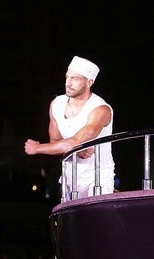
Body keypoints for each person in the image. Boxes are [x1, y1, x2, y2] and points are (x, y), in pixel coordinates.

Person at [24, 55, 114, 197]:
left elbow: (71, 143)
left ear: (89, 82)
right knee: (72, 219)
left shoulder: (100, 109)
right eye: (67, 77)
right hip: (69, 177)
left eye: (75, 79)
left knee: (95, 216)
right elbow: (55, 143)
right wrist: (77, 151)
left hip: (97, 177)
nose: (68, 83)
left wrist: (36, 148)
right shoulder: (56, 104)